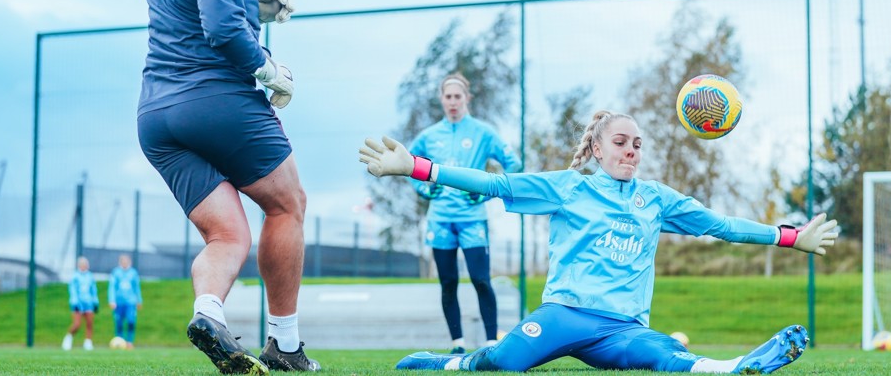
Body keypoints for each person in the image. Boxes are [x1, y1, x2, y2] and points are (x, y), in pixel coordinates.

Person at [359, 111, 839, 373]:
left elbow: (721, 225)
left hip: (622, 328)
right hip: (564, 315)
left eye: (637, 144)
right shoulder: (570, 186)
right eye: (621, 142)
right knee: (503, 363)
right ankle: (454, 362)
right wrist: (417, 166)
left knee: (662, 356)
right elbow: (495, 185)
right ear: (596, 148)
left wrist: (792, 236)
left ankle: (733, 367)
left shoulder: (656, 199)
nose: (631, 150)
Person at [137, 0, 317, 374]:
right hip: (215, 101)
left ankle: (208, 313)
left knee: (227, 233)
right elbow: (219, 31)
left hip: (156, 116)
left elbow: (188, 9)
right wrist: (268, 67)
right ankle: (284, 345)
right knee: (287, 204)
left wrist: (248, 1)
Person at [409, 73, 522, 354]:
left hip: (473, 221)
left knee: (481, 280)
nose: (453, 102)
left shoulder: (483, 132)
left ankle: (491, 344)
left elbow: (514, 164)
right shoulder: (429, 135)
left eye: (458, 96)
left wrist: (486, 189)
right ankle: (457, 345)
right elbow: (408, 164)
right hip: (440, 221)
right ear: (441, 99)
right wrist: (424, 190)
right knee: (448, 283)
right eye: (448, 97)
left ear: (467, 99)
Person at [62, 256, 99, 351]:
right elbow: (73, 290)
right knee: (77, 324)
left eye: (85, 264)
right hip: (78, 303)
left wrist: (95, 302)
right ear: (79, 265)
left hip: (89, 303)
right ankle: (68, 338)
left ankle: (88, 342)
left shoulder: (90, 276)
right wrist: (75, 302)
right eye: (82, 264)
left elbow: (93, 290)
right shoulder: (75, 276)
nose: (84, 266)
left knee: (89, 323)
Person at [109, 254, 143, 349]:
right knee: (119, 322)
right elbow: (112, 287)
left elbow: (136, 288)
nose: (125, 263)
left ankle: (129, 341)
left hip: (131, 302)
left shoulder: (133, 273)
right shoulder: (115, 272)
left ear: (129, 262)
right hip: (119, 302)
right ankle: (119, 342)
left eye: (126, 261)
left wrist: (139, 300)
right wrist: (112, 300)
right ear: (120, 262)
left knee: (131, 321)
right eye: (123, 261)